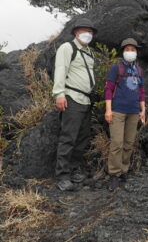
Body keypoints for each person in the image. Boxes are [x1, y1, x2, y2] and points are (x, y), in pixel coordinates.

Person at [53, 18, 97, 191]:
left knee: (83, 137)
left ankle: (73, 170)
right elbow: (60, 69)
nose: (88, 34)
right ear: (75, 33)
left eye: (90, 31)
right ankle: (62, 176)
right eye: (84, 30)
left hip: (86, 100)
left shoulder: (89, 52)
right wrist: (59, 94)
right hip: (71, 97)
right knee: (68, 137)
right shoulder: (67, 48)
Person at [104, 38, 146, 191]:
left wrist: (143, 110)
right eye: (127, 49)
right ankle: (114, 175)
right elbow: (108, 89)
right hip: (118, 110)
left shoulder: (139, 70)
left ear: (136, 52)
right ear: (123, 52)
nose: (130, 52)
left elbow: (141, 91)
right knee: (117, 144)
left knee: (128, 144)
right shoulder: (117, 68)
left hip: (134, 111)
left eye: (133, 49)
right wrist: (108, 110)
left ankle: (124, 170)